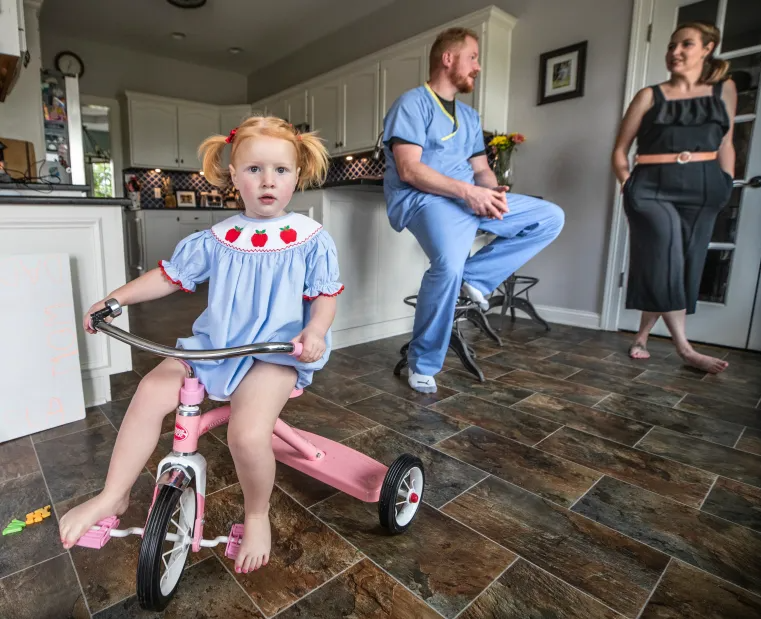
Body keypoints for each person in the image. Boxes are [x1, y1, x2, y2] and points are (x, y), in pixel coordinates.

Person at [58, 117, 343, 574]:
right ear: (233, 175)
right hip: (213, 347)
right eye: (253, 169)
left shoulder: (311, 239)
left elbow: (325, 295)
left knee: (247, 434)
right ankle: (113, 495)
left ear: (298, 173)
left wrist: (316, 331)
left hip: (272, 354)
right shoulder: (218, 237)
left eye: (280, 170)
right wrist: (116, 299)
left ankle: (256, 514)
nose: (267, 180)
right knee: (151, 390)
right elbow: (169, 276)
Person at [382, 27, 565, 393]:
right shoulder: (412, 103)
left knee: (549, 217)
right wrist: (468, 193)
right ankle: (424, 361)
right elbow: (409, 169)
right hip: (426, 199)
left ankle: (477, 277)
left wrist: (491, 190)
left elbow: (480, 168)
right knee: (447, 266)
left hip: (468, 198)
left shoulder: (469, 117)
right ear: (448, 58)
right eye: (473, 57)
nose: (477, 66)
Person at [612, 21, 736, 373]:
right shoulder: (650, 96)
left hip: (705, 187)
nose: (675, 52)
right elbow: (620, 151)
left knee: (680, 267)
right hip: (651, 187)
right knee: (665, 256)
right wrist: (627, 183)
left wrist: (726, 182)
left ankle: (642, 335)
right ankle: (685, 348)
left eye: (686, 44)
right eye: (671, 46)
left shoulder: (724, 90)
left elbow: (726, 143)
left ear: (707, 48)